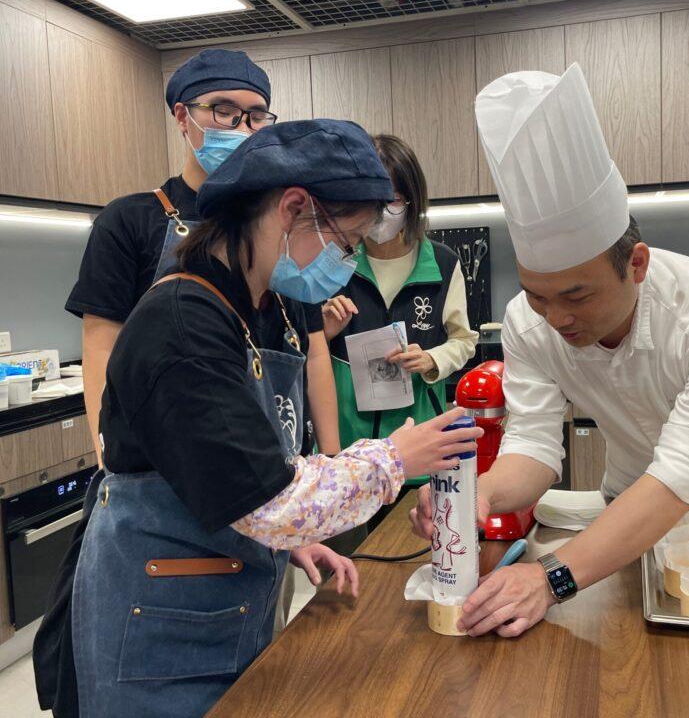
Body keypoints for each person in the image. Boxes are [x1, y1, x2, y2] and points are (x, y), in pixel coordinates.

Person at [72, 119, 483, 717]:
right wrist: (397, 457)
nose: (347, 262)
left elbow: (234, 464)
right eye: (347, 242)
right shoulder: (183, 326)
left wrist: (289, 545)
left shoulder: (263, 309)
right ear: (294, 210)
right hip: (158, 633)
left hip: (224, 598)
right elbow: (268, 499)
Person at [410, 65, 689, 638]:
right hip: (628, 509)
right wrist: (484, 493)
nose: (557, 318)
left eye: (576, 295)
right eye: (537, 295)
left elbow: (685, 471)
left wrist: (551, 578)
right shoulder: (530, 323)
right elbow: (535, 444)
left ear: (636, 265)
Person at [34, 50, 339, 717]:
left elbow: (308, 352)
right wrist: (112, 463)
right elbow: (104, 350)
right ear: (182, 117)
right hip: (168, 511)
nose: (241, 124)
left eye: (256, 114)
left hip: (259, 510)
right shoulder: (135, 221)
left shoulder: (281, 232)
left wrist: (315, 486)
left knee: (249, 683)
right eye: (222, 110)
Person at [322, 134, 478, 471]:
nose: (381, 214)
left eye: (391, 201)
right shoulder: (331, 264)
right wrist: (322, 330)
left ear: (411, 200)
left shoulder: (443, 262)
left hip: (420, 437)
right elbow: (304, 346)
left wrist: (431, 359)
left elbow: (464, 341)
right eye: (371, 201)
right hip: (350, 447)